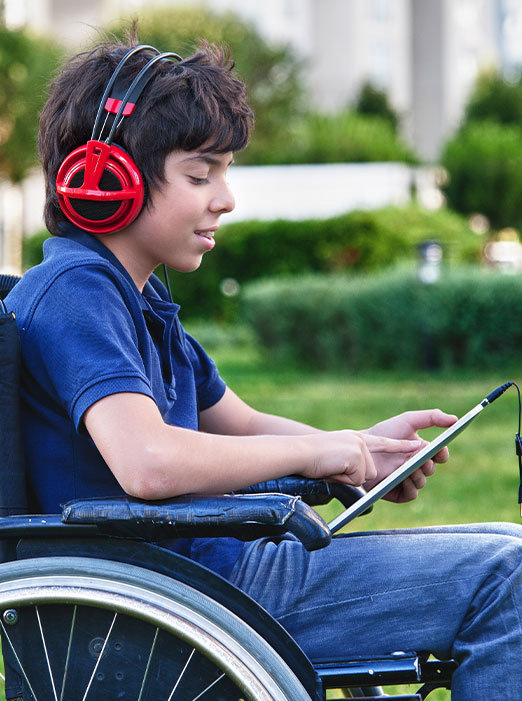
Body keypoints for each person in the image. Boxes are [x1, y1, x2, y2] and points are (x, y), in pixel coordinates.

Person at [6, 32, 522, 700]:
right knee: (507, 577)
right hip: (188, 593)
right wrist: (317, 453)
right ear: (108, 178)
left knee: (509, 542)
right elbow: (147, 461)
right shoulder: (77, 292)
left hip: (210, 570)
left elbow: (239, 423)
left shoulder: (138, 298)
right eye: (201, 175)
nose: (226, 199)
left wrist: (360, 449)